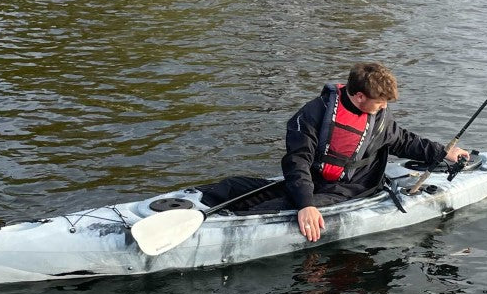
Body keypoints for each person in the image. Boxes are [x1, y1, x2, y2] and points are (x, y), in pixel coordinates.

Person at [198, 62, 468, 241]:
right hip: (316, 181)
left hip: (353, 187)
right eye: (380, 102)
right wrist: (306, 202)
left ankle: (217, 229)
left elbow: (405, 141)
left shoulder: (379, 117)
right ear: (359, 96)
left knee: (275, 208)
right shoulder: (313, 114)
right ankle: (192, 209)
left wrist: (443, 152)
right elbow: (297, 161)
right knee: (233, 187)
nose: (384, 107)